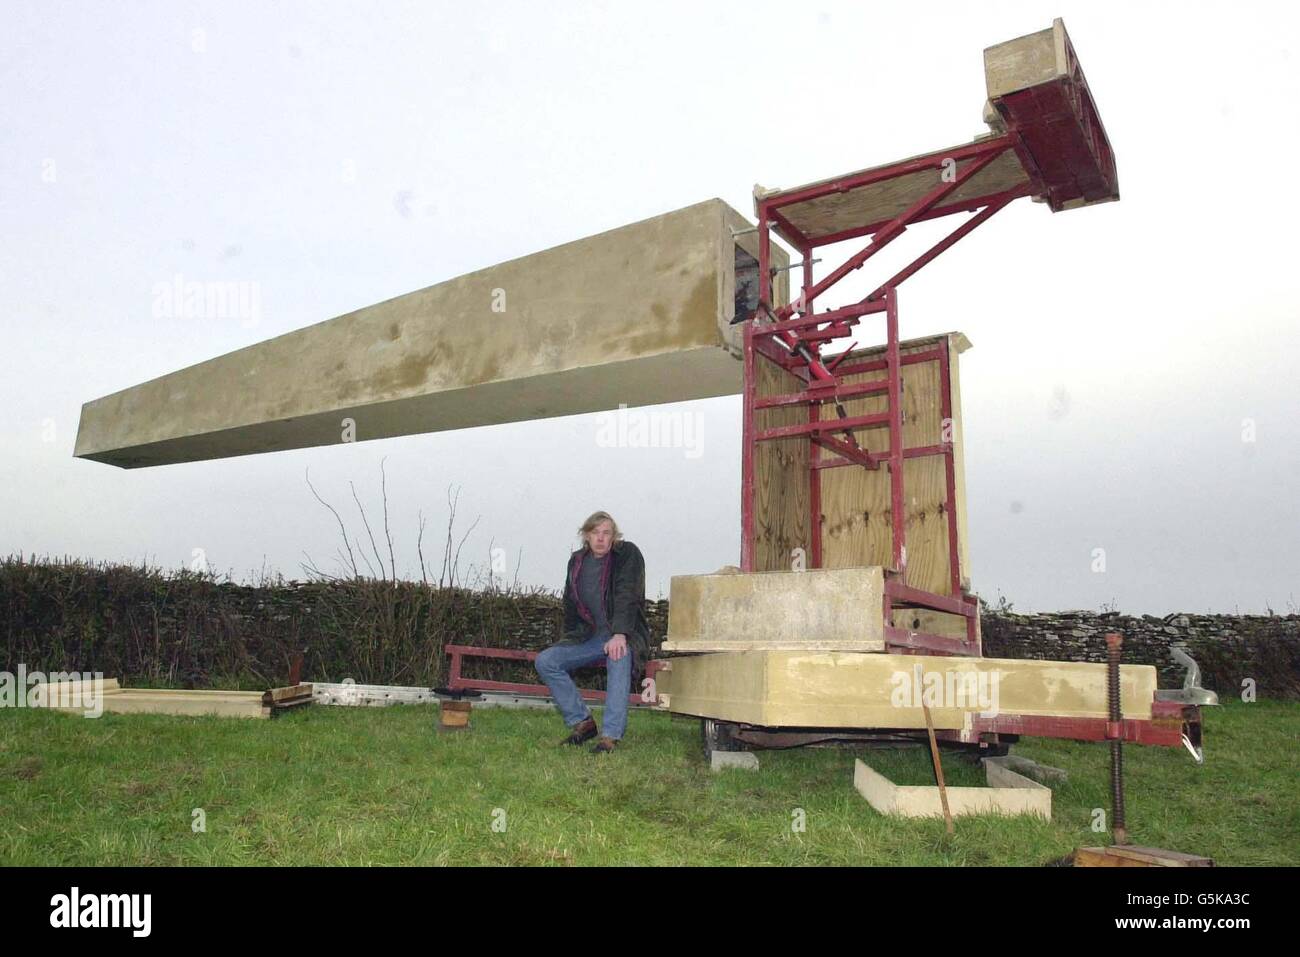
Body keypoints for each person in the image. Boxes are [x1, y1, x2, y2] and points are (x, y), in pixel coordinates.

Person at [535, 511, 650, 754]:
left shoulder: (627, 555)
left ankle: (610, 736)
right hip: (589, 636)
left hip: (624, 633)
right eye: (595, 532)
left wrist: (620, 634)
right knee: (546, 661)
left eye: (606, 533)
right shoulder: (576, 562)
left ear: (614, 536)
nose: (600, 538)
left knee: (618, 655)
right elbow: (570, 603)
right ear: (586, 536)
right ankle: (583, 723)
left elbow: (627, 594)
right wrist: (566, 641)